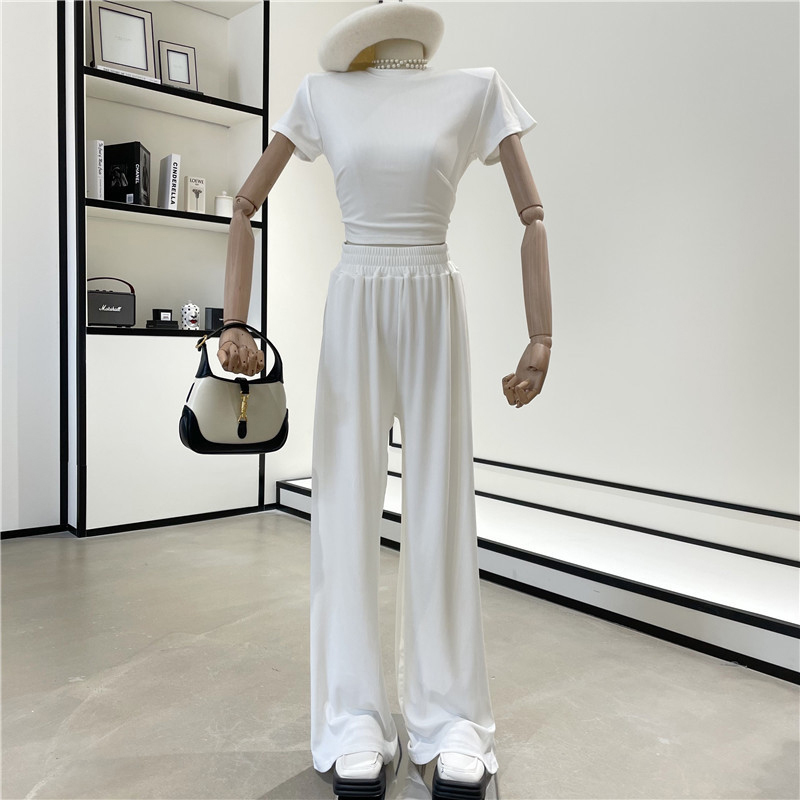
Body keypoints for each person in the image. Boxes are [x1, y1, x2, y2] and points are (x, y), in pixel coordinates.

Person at [219, 2, 552, 797]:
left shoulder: (475, 89)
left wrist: (542, 335)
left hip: (433, 291)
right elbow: (244, 202)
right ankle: (353, 716)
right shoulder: (322, 94)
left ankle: (450, 716)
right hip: (357, 293)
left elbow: (533, 213)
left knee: (442, 504)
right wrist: (231, 321)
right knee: (343, 506)